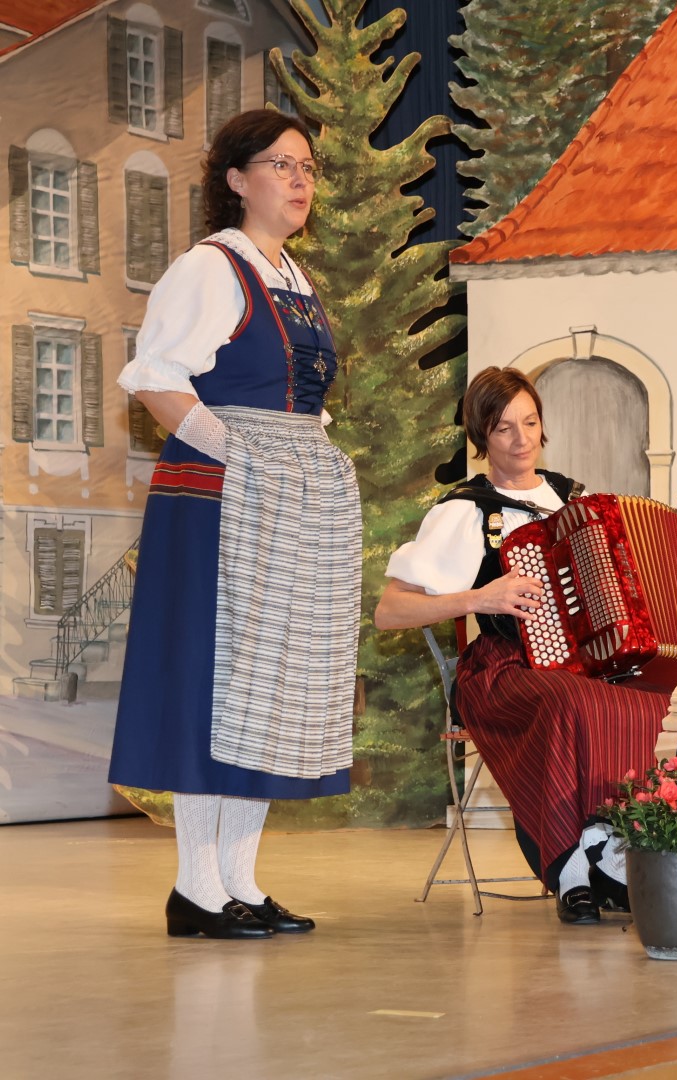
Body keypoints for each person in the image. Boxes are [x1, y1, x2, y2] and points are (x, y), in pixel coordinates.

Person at [109, 110, 359, 939]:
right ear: (236, 179)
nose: (299, 180)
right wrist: (242, 458)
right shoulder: (209, 268)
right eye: (281, 164)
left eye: (307, 166)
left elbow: (301, 403)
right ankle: (196, 889)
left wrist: (304, 464)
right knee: (211, 684)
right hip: (221, 498)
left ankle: (238, 881)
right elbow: (156, 380)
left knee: (269, 686)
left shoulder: (295, 280)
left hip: (287, 494)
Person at [377, 367, 677, 925]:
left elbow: (633, 586)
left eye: (529, 423)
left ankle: (614, 846)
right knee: (571, 701)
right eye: (503, 428)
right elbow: (390, 611)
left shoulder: (575, 499)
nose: (521, 439)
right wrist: (480, 596)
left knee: (658, 700)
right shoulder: (465, 511)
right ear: (481, 436)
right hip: (502, 666)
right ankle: (573, 868)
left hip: (587, 667)